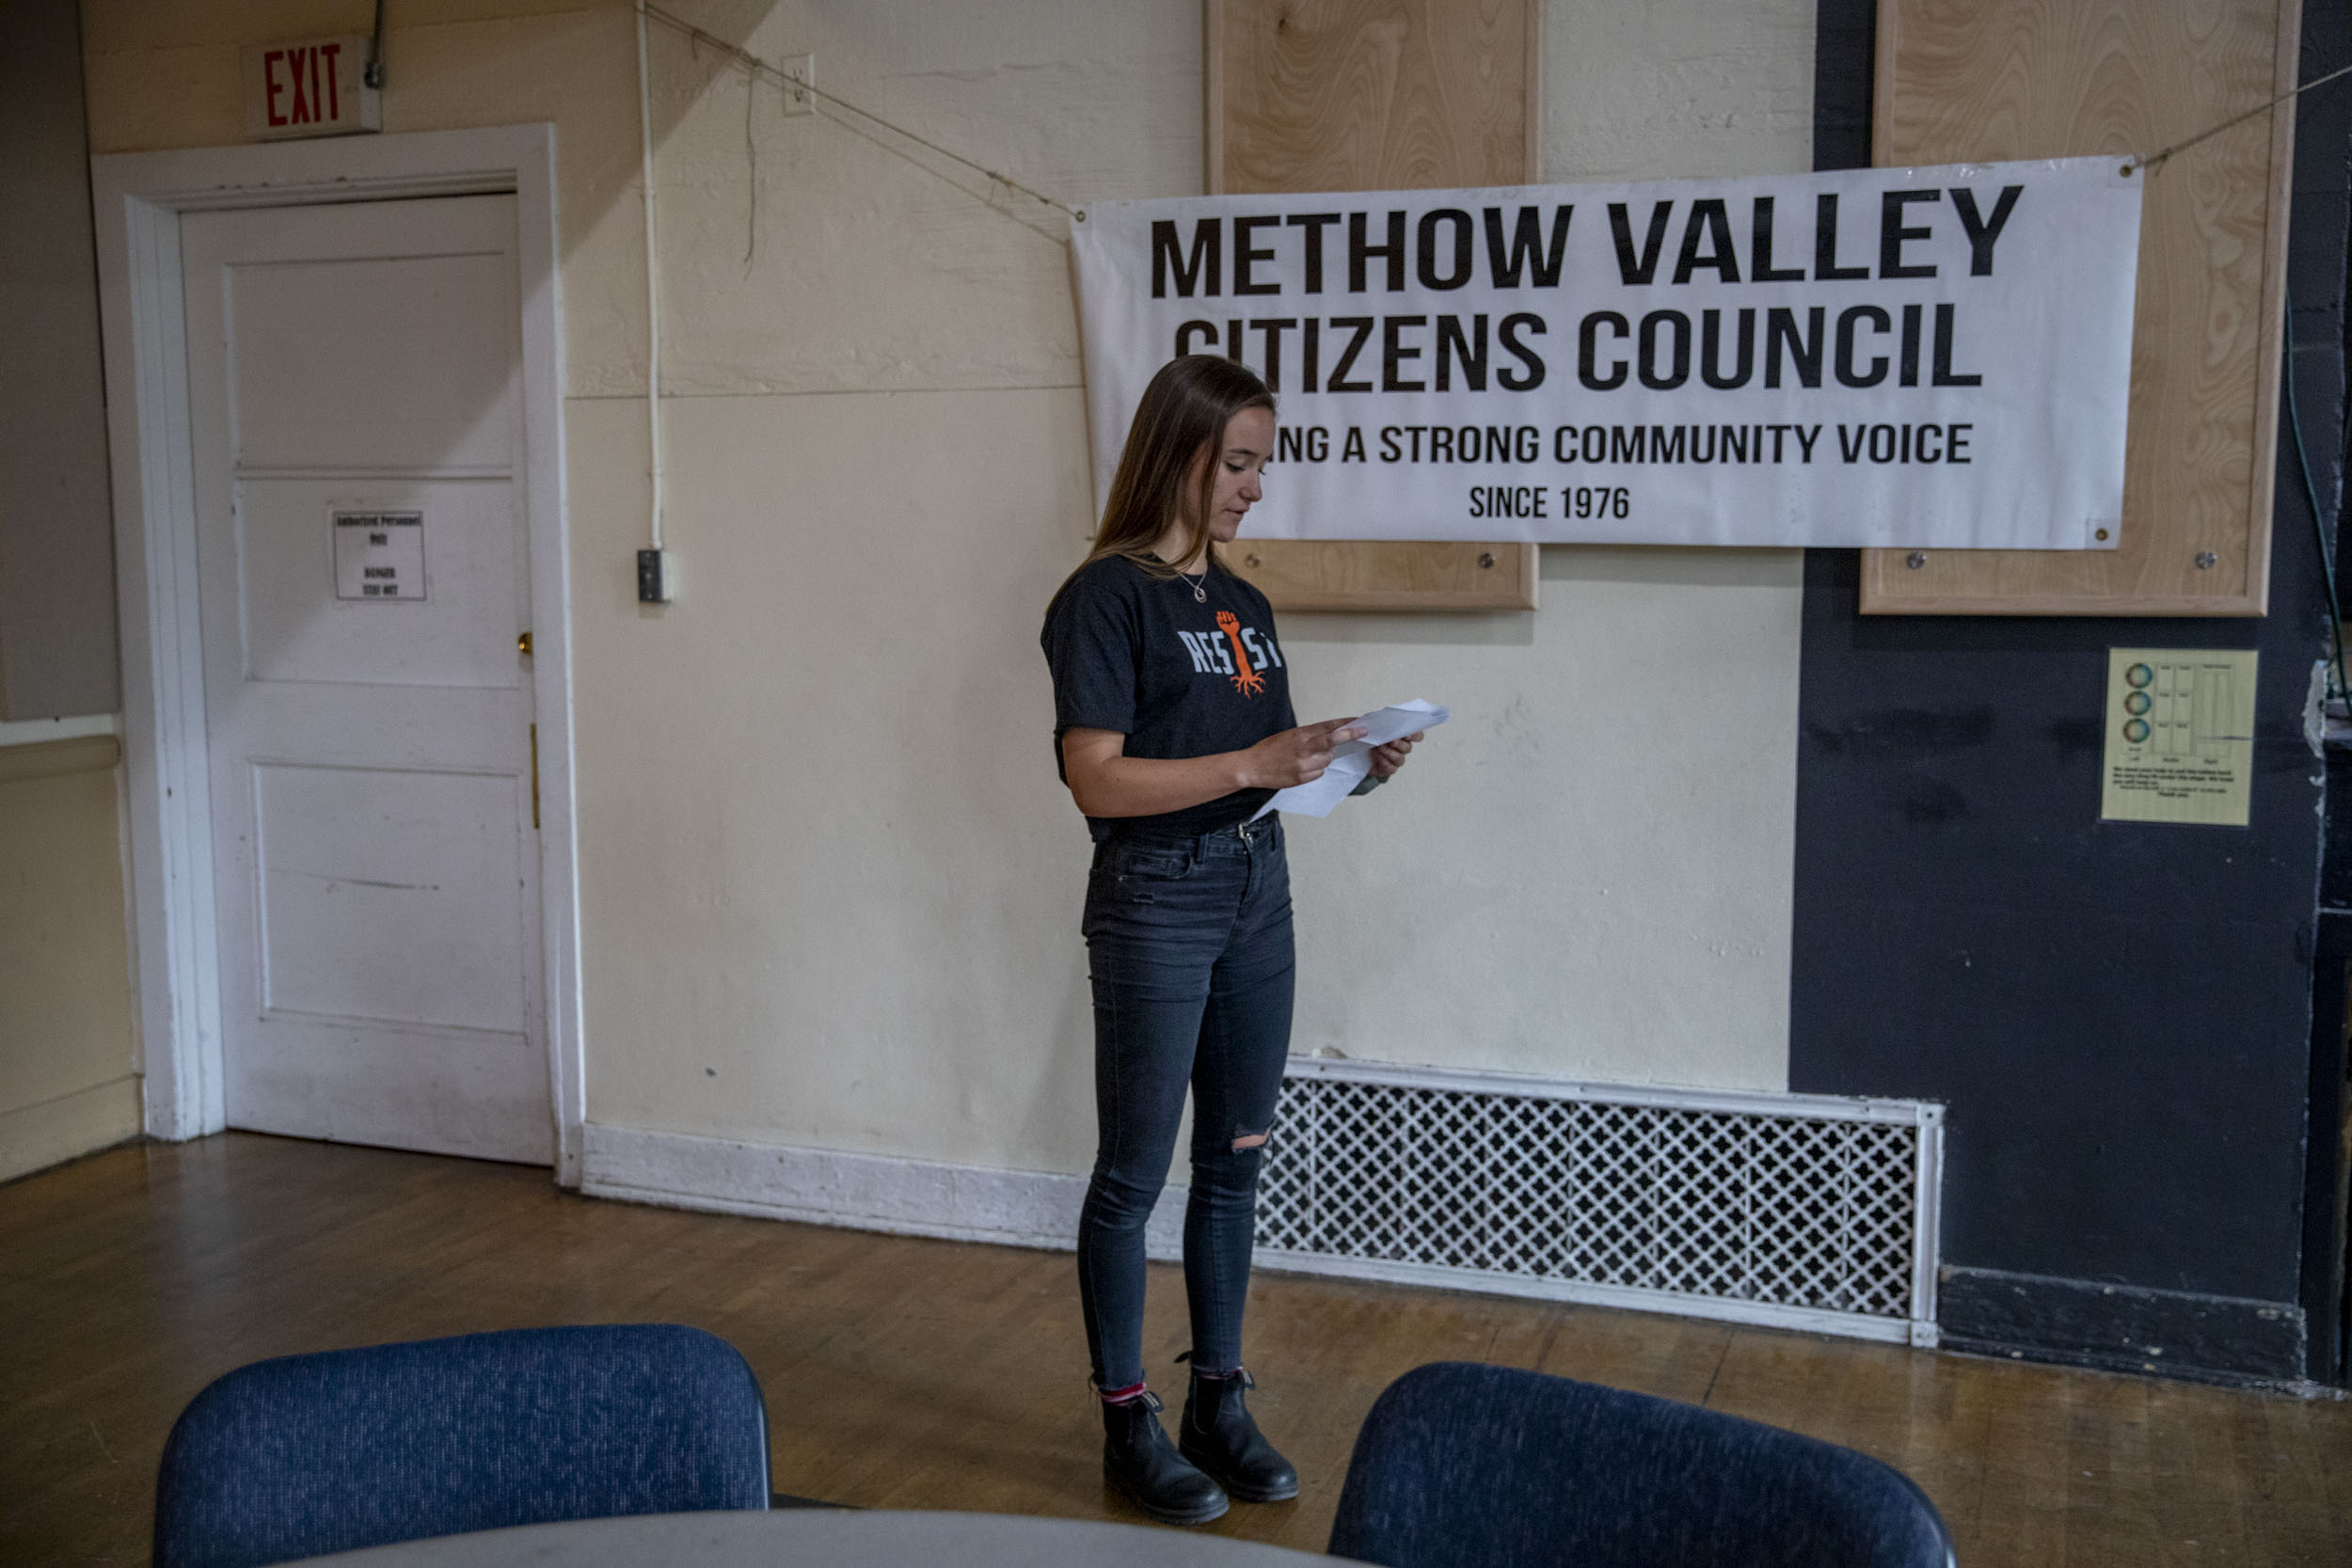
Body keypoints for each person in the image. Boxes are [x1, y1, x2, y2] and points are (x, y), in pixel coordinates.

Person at [1038, 355, 1420, 1525]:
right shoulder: (1104, 596)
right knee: (1132, 1175)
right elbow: (1094, 778)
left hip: (1259, 890)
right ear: (1182, 452)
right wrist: (1256, 760)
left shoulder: (1242, 607)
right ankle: (1126, 1415)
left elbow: (1259, 774)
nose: (1255, 488)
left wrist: (1349, 765)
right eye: (1239, 463)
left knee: (1234, 1161)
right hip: (1157, 896)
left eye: (1261, 465)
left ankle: (1219, 1398)